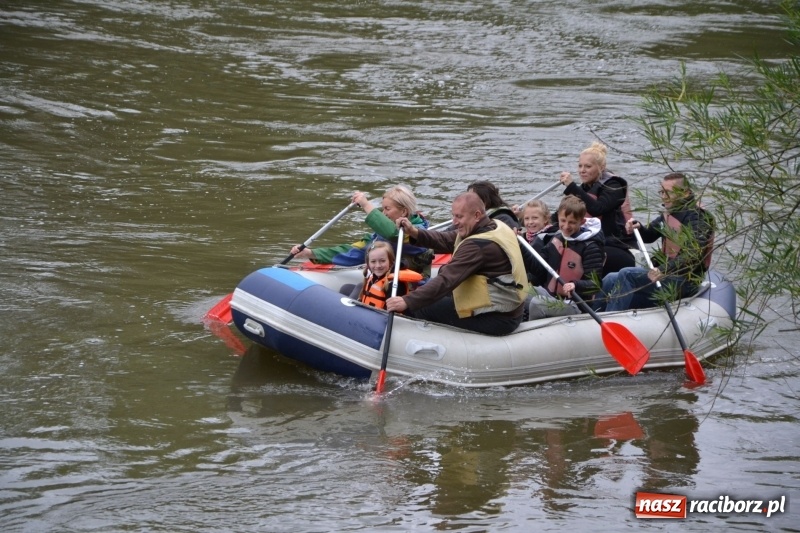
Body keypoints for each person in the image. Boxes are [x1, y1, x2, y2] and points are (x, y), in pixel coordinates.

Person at [385, 192, 528, 335]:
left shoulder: (478, 246)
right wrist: (414, 232)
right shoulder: (493, 226)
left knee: (421, 307)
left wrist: (407, 301)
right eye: (453, 215)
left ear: (477, 215)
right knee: (434, 294)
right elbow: (446, 239)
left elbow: (446, 280)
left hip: (499, 318)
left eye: (459, 216)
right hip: (507, 309)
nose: (454, 221)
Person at [600, 173, 714, 312]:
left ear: (685, 193)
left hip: (685, 280)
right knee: (611, 278)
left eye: (668, 193)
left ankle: (610, 318)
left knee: (627, 274)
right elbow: (649, 236)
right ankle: (593, 312)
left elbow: (693, 255)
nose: (663, 196)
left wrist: (664, 269)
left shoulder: (698, 218)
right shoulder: (670, 212)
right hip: (668, 274)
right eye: (662, 192)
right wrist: (638, 227)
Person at [289, 185, 434, 277]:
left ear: (404, 212)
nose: (383, 213)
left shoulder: (419, 233)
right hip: (386, 283)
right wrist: (311, 253)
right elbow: (355, 250)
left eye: (387, 209)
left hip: (413, 290)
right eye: (382, 208)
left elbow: (394, 235)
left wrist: (365, 204)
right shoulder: (382, 236)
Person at [559, 141, 635, 276]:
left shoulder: (615, 185)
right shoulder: (582, 190)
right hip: (590, 242)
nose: (582, 170)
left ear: (602, 166)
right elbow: (559, 217)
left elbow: (598, 208)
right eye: (580, 166)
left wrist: (571, 187)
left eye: (588, 166)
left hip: (614, 244)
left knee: (586, 253)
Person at [525, 196, 605, 320]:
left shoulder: (590, 247)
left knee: (537, 303)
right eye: (563, 221)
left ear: (582, 222)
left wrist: (575, 285)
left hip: (575, 304)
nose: (566, 226)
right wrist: (520, 247)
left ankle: (531, 335)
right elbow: (538, 269)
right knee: (520, 293)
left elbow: (595, 284)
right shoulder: (557, 239)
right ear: (557, 218)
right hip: (552, 295)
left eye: (572, 222)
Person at [357, 241, 422, 309]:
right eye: (373, 261)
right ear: (368, 263)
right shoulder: (372, 276)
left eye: (382, 261)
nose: (378, 265)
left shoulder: (395, 285)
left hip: (381, 316)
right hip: (368, 311)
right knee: (348, 287)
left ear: (390, 261)